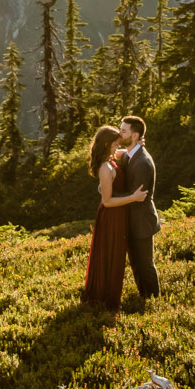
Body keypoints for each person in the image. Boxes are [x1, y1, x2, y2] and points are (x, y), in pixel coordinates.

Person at [81, 124, 144, 311]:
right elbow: (107, 201)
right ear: (107, 144)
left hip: (118, 214)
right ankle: (104, 297)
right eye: (115, 144)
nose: (118, 147)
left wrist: (136, 144)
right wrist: (133, 198)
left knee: (115, 254)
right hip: (111, 216)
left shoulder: (111, 158)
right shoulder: (105, 169)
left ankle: (107, 293)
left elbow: (123, 152)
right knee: (111, 254)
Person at [115, 114, 160, 301]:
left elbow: (137, 196)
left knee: (145, 264)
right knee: (136, 263)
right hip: (134, 221)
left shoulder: (142, 162)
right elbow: (123, 156)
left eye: (123, 131)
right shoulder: (132, 154)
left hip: (141, 221)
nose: (120, 133)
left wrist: (110, 198)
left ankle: (153, 299)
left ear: (135, 136)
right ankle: (144, 296)